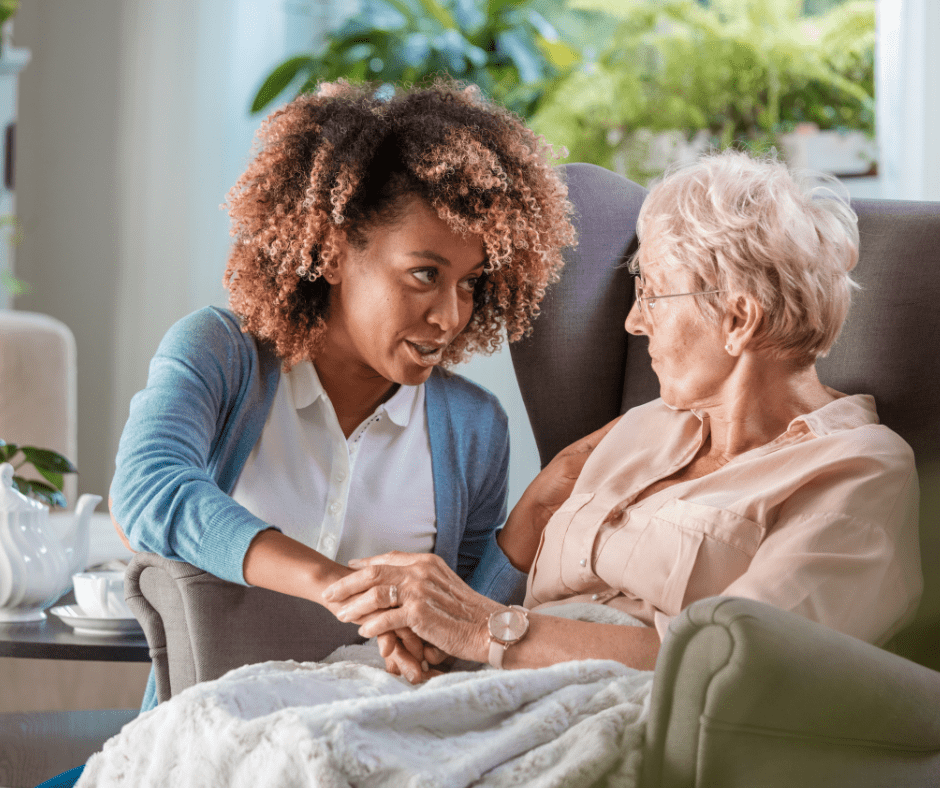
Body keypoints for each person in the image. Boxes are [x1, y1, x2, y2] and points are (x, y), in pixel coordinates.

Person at [323, 148, 923, 677]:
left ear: (737, 320)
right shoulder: (643, 426)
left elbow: (738, 666)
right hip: (498, 680)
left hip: (621, 718)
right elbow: (508, 617)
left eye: (652, 293)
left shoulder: (857, 472)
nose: (635, 322)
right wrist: (442, 639)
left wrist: (483, 631)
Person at [107, 79, 576, 710]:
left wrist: (536, 509)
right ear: (331, 251)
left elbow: (460, 638)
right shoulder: (219, 355)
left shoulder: (474, 426)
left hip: (378, 745)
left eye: (470, 283)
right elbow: (148, 490)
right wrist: (339, 586)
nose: (449, 316)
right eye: (424, 275)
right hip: (203, 740)